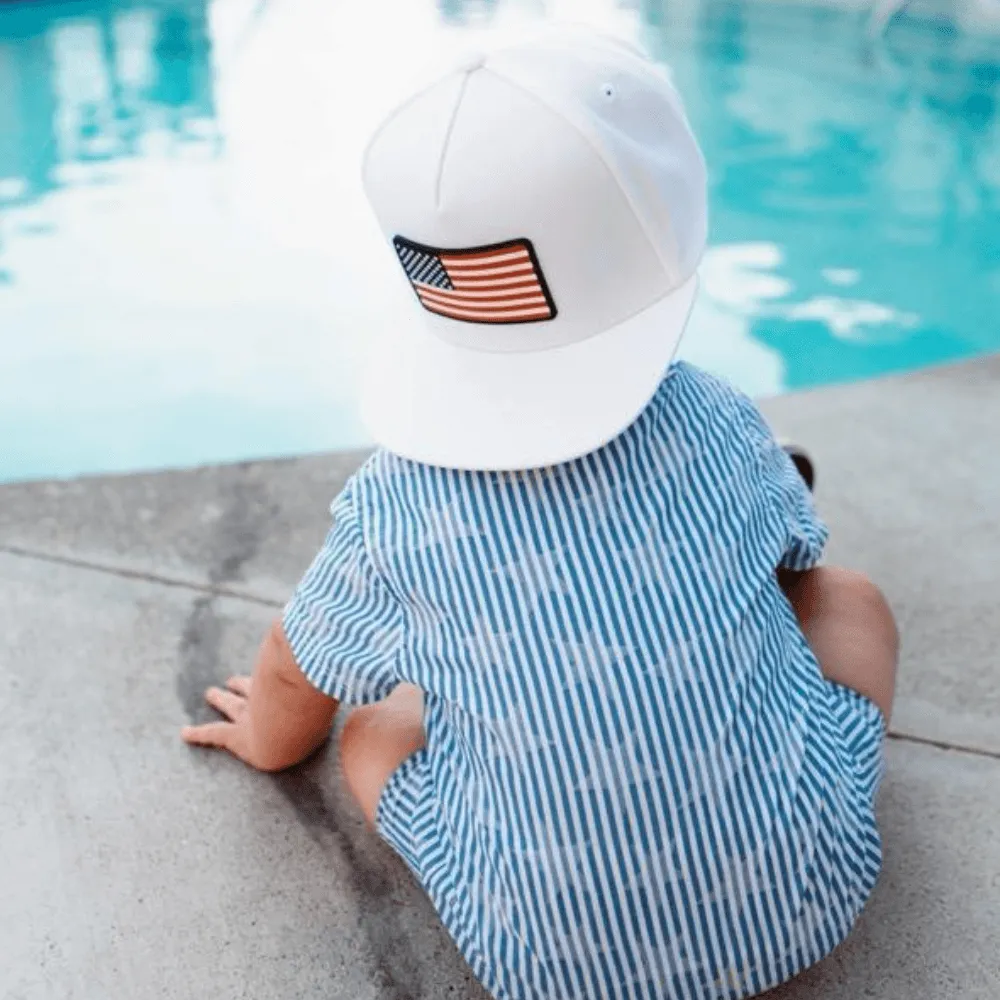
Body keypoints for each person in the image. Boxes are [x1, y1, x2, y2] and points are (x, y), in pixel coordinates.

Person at [181, 30, 899, 1000]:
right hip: (804, 896)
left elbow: (293, 663)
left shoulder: (397, 506)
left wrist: (269, 738)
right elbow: (799, 561)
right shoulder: (721, 418)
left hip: (544, 957)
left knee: (373, 725)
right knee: (847, 596)